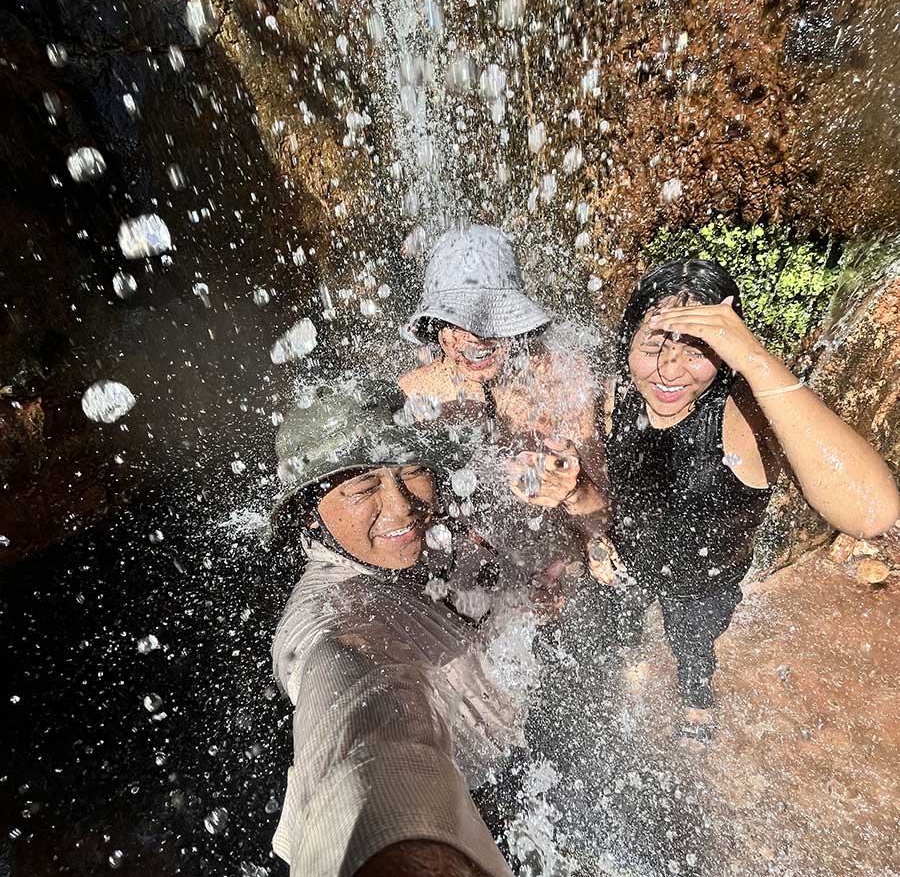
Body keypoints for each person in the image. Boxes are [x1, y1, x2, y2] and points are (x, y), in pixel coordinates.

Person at [514, 258, 900, 739]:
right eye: (654, 344)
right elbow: (614, 495)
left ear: (725, 351)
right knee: (607, 636)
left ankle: (697, 696)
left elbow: (872, 512)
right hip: (630, 562)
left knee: (694, 642)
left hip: (705, 582)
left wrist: (754, 358)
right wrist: (580, 499)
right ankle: (617, 682)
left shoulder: (745, 416)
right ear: (628, 343)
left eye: (698, 349)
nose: (670, 370)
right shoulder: (617, 395)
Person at [264, 380, 525, 877]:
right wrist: (391, 839)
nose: (403, 505)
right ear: (307, 512)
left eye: (413, 471)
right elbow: (347, 690)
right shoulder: (324, 617)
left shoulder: (432, 535)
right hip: (466, 804)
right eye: (362, 488)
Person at [399, 223, 608, 592]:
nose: (476, 336)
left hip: (554, 562)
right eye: (457, 320)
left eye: (494, 319)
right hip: (468, 579)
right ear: (435, 326)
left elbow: (601, 515)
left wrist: (575, 492)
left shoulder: (564, 378)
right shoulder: (415, 392)